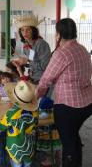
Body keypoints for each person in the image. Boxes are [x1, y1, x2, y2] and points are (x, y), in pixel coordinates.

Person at [36, 18, 92, 167]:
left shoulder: (61, 53)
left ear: (59, 34)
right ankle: (76, 160)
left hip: (69, 106)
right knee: (73, 136)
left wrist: (34, 96)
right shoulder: (83, 49)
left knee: (68, 143)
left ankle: (71, 162)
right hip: (87, 103)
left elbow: (47, 79)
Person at [0, 80, 39, 167]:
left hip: (15, 145)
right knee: (28, 163)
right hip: (29, 145)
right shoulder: (35, 112)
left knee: (17, 164)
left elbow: (1, 127)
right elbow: (36, 123)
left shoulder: (11, 113)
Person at [13, 15, 51, 84]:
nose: (25, 33)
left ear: (33, 31)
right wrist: (20, 63)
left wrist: (27, 61)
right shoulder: (26, 44)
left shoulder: (41, 44)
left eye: (28, 30)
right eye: (22, 30)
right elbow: (32, 63)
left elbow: (45, 66)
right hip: (33, 79)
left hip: (43, 81)